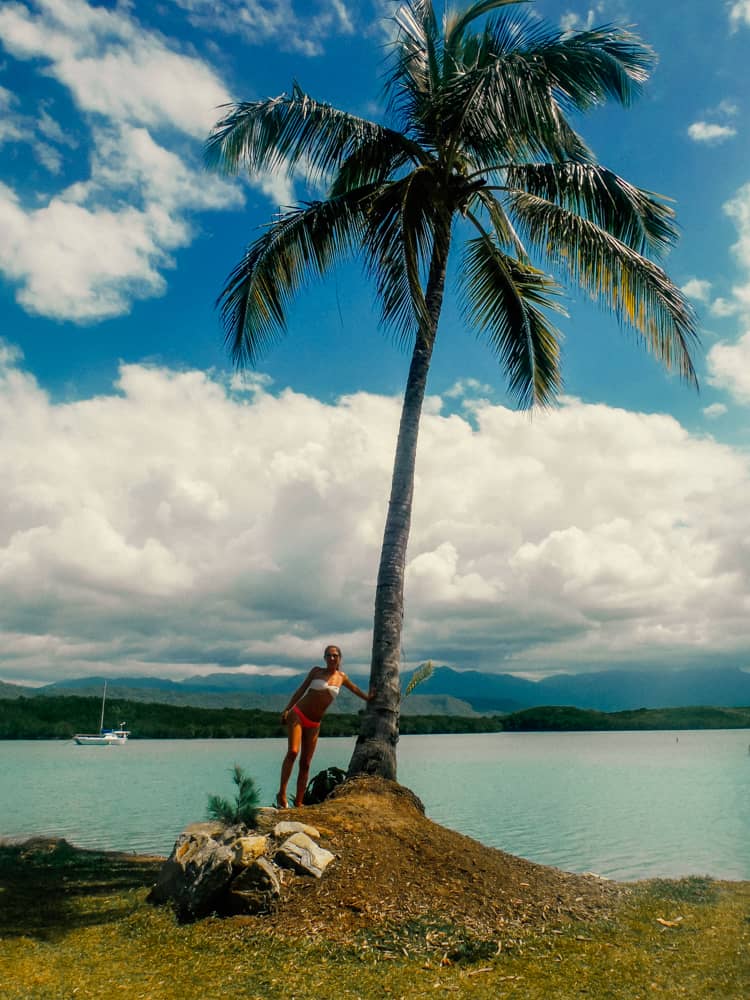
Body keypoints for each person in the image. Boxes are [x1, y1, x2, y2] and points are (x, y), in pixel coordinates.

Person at [276, 645, 372, 808]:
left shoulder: (342, 677)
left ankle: (299, 802)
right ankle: (282, 793)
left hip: (314, 723)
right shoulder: (316, 672)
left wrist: (369, 698)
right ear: (324, 658)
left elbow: (355, 689)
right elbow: (301, 690)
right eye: (328, 655)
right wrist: (287, 709)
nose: (332, 658)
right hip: (298, 714)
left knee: (305, 763)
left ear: (340, 658)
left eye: (335, 655)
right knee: (293, 752)